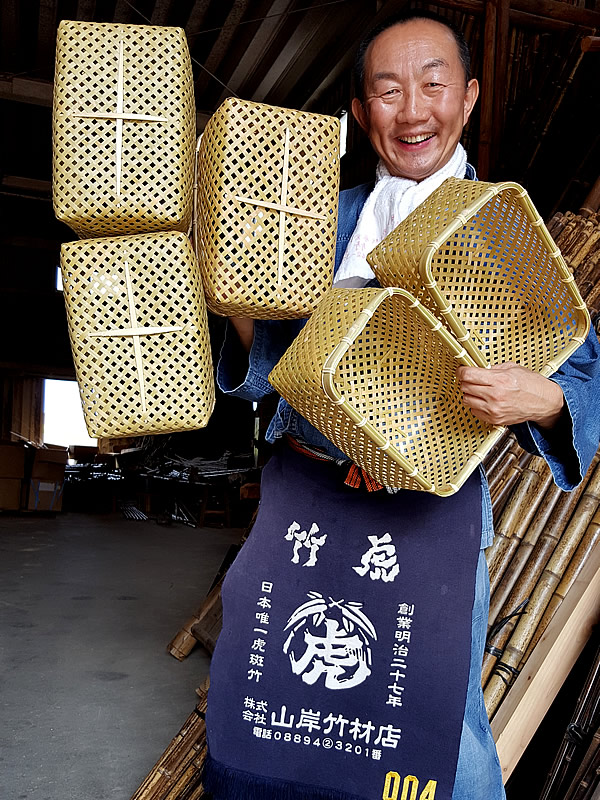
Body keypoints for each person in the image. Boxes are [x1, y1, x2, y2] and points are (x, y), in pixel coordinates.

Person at [203, 11, 600, 800]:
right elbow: (272, 366)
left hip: (431, 513)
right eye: (387, 90)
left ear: (470, 96)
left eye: (433, 84)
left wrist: (545, 397)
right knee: (275, 706)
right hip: (310, 495)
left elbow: (584, 379)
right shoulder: (315, 219)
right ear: (360, 110)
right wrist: (234, 298)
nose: (412, 109)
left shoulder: (503, 233)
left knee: (434, 721)